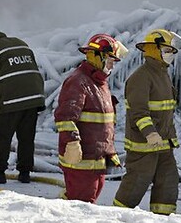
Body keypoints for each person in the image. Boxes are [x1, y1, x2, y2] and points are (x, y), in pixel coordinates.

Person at [113, 29, 181, 215]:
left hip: (164, 144)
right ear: (154, 49)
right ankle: (117, 217)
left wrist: (167, 136)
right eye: (167, 50)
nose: (170, 55)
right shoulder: (141, 77)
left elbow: (166, 111)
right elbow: (139, 111)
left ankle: (163, 218)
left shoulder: (162, 74)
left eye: (172, 51)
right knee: (136, 183)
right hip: (144, 146)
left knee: (168, 183)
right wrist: (150, 133)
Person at [54, 33, 128, 203]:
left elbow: (103, 123)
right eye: (110, 60)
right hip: (81, 161)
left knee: (86, 204)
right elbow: (65, 117)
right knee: (80, 206)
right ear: (97, 56)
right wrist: (71, 143)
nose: (112, 66)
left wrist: (109, 151)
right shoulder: (78, 82)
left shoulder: (99, 83)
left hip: (96, 161)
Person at [0, 31, 45, 184]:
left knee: (3, 136)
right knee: (26, 137)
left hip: (11, 99)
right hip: (34, 96)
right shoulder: (20, 42)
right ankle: (25, 173)